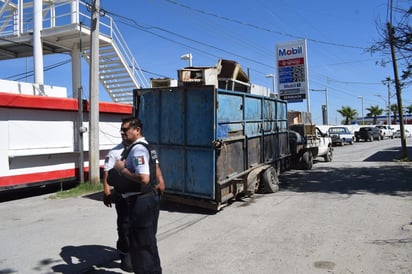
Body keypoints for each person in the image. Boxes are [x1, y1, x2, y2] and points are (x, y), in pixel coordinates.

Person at [104, 117, 165, 273]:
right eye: (122, 130)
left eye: (125, 129)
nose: (122, 132)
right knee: (145, 240)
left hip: (140, 201)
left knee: (141, 245)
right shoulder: (140, 147)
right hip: (137, 199)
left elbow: (143, 178)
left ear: (137, 130)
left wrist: (122, 169)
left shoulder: (138, 149)